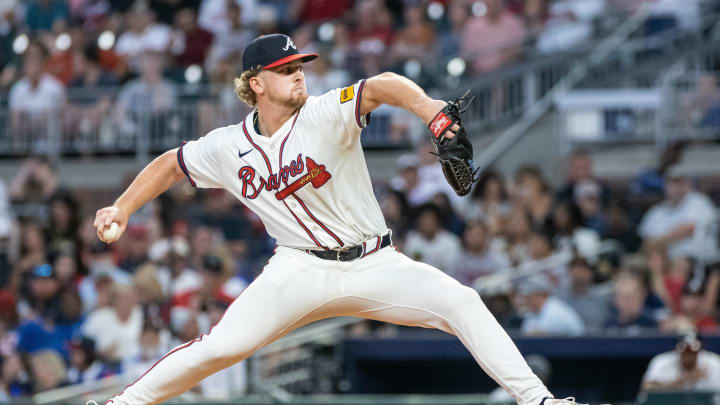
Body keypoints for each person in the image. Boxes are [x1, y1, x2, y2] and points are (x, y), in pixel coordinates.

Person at [91, 33, 585, 405]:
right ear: (256, 83)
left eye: (301, 65)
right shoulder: (228, 146)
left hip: (374, 261)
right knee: (221, 347)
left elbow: (383, 85)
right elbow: (170, 165)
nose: (300, 74)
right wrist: (123, 206)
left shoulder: (326, 111)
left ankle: (539, 401)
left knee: (462, 302)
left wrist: (433, 112)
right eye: (286, 69)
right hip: (298, 270)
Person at [641, 329, 720, 391]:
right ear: (675, 349)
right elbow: (647, 388)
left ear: (701, 348)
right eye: (685, 350)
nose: (689, 355)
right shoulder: (661, 361)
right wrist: (683, 381)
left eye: (693, 350)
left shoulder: (713, 362)